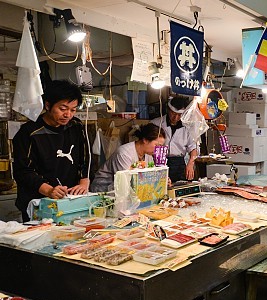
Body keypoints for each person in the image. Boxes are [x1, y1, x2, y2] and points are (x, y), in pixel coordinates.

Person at [13, 80, 90, 222]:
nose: (68, 115)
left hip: (69, 200)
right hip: (38, 202)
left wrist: (84, 182)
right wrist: (49, 190)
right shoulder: (30, 132)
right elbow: (22, 171)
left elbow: (84, 159)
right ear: (48, 105)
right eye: (63, 108)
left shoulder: (76, 127)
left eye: (73, 110)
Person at [90, 124, 167, 192]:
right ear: (145, 140)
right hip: (103, 190)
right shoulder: (124, 153)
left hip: (129, 191)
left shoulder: (149, 156)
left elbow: (151, 177)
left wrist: (162, 180)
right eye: (157, 145)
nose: (158, 149)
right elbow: (125, 182)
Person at [150, 95, 197, 182]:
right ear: (168, 110)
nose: (176, 118)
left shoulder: (187, 126)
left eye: (179, 115)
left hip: (180, 163)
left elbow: (193, 147)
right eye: (173, 114)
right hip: (160, 162)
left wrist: (191, 163)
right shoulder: (156, 123)